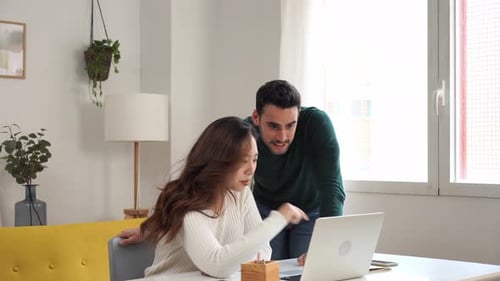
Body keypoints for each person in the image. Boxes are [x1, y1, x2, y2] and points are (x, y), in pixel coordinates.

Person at [124, 116, 308, 278]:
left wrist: (228, 263)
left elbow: (263, 250)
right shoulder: (188, 203)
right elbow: (218, 264)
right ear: (219, 159)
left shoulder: (241, 194)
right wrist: (279, 218)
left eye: (254, 159)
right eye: (243, 161)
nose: (251, 169)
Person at [247, 79, 345, 260]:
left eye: (290, 125)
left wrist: (329, 242)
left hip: (309, 210)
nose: (282, 137)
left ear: (298, 115)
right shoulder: (245, 135)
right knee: (270, 272)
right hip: (266, 211)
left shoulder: (317, 123)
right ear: (256, 118)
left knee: (307, 270)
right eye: (273, 126)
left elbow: (331, 185)